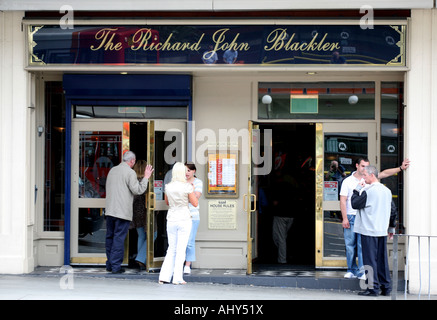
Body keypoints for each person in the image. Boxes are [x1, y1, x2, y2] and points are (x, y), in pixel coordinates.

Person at [339, 157, 410, 279]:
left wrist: (400, 168)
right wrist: (344, 218)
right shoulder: (347, 181)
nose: (365, 168)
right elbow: (343, 200)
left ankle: (362, 272)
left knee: (362, 246)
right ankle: (351, 270)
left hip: (365, 218)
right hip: (351, 216)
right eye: (362, 166)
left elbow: (385, 173)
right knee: (350, 245)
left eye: (367, 166)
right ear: (357, 166)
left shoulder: (370, 178)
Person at [105, 151, 154, 274]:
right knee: (118, 239)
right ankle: (115, 267)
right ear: (132, 161)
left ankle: (110, 264)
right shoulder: (130, 172)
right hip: (122, 212)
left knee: (110, 237)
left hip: (110, 210)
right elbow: (138, 190)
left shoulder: (112, 170)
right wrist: (146, 177)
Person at [351, 166, 394, 296]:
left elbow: (354, 203)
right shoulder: (387, 191)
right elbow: (393, 210)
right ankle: (386, 287)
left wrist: (357, 188)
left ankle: (373, 288)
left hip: (369, 229)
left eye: (365, 175)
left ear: (372, 175)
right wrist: (391, 227)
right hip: (381, 230)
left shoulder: (368, 191)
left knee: (369, 260)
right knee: (382, 259)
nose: (363, 178)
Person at [159, 162, 198, 284]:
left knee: (171, 249)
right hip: (184, 218)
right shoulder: (187, 186)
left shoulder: (168, 186)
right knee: (181, 249)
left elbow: (167, 203)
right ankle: (177, 278)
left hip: (171, 218)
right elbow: (195, 203)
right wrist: (192, 189)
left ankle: (164, 276)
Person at [131, 160, 156, 270]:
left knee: (141, 235)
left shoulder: (133, 181)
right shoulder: (147, 181)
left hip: (136, 213)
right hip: (146, 213)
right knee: (153, 234)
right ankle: (141, 259)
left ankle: (141, 261)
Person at [183, 162, 203, 274]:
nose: (186, 173)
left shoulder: (198, 182)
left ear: (194, 171)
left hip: (193, 215)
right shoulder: (181, 182)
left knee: (189, 241)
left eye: (189, 170)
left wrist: (188, 193)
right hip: (181, 215)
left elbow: (195, 198)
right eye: (185, 170)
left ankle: (187, 265)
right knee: (181, 241)